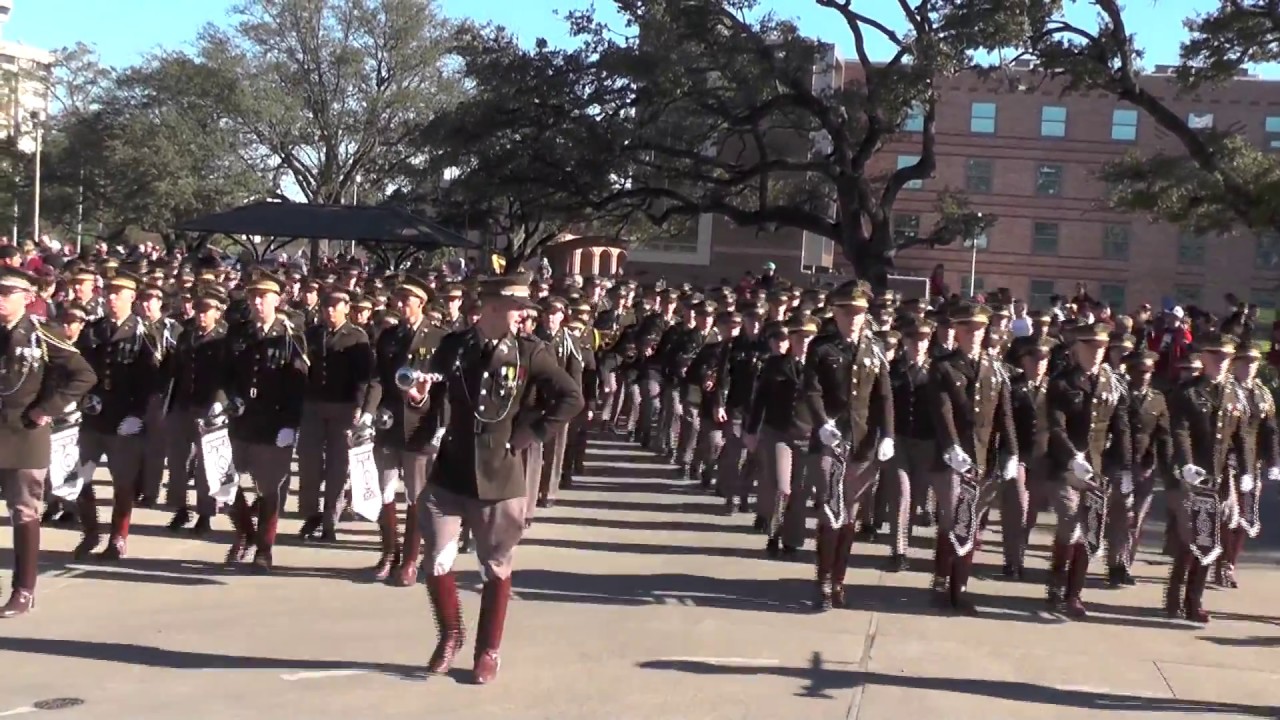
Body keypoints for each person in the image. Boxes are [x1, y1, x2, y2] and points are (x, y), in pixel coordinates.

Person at [416, 272, 583, 684]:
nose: (522, 317)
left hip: (499, 472)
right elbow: (431, 390)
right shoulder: (454, 347)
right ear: (492, 308)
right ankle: (450, 635)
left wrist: (529, 435)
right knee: (436, 557)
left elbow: (572, 397)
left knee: (496, 566)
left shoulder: (530, 352)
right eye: (515, 309)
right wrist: (418, 395)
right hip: (451, 469)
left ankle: (487, 652)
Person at [0, 267, 96, 618]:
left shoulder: (42, 333)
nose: (0, 300)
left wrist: (47, 409)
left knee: (24, 512)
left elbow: (84, 374)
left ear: (27, 298)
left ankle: (23, 590)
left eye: (6, 294)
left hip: (25, 433)